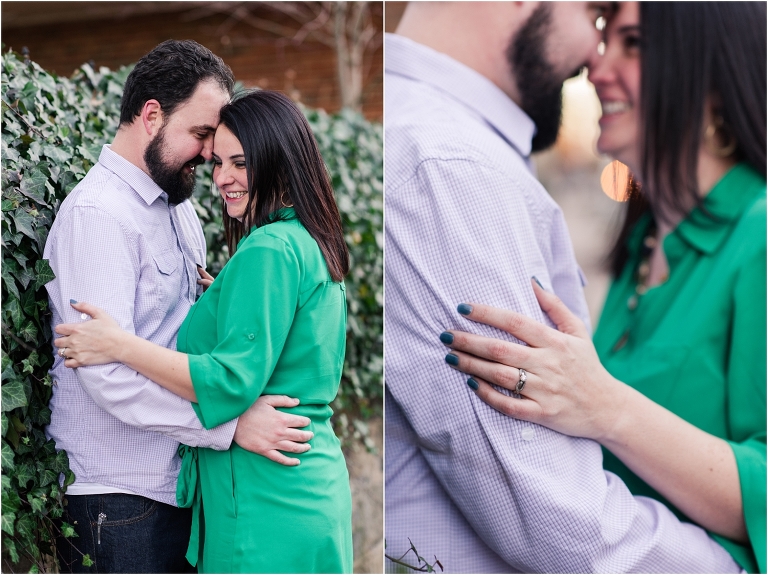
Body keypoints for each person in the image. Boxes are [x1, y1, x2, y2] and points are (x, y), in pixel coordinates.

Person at [384, 2, 743, 572]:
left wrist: (608, 407)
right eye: (598, 17)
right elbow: (559, 515)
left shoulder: (754, 237)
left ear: (713, 77)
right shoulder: (451, 164)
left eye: (634, 43)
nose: (598, 62)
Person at [52, 90, 353, 573]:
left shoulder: (269, 250)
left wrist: (121, 345)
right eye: (217, 162)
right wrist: (224, 296)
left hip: (265, 493)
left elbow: (231, 381)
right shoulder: (307, 239)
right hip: (302, 480)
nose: (221, 177)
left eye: (240, 162)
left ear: (277, 158)